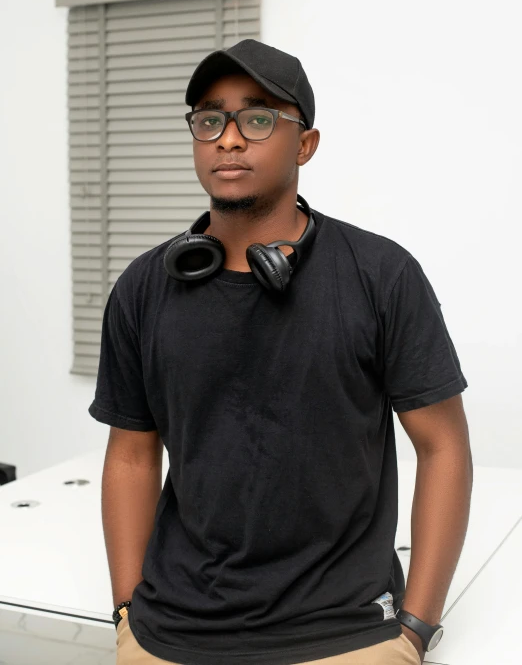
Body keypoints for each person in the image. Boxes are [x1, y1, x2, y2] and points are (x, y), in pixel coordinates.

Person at [89, 39, 472, 665]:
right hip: (170, 633)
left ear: (306, 144)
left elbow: (443, 445)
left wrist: (415, 626)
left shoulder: (381, 275)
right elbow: (131, 455)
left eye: (259, 117)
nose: (229, 139)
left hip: (346, 633)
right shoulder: (142, 287)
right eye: (210, 119)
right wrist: (127, 613)